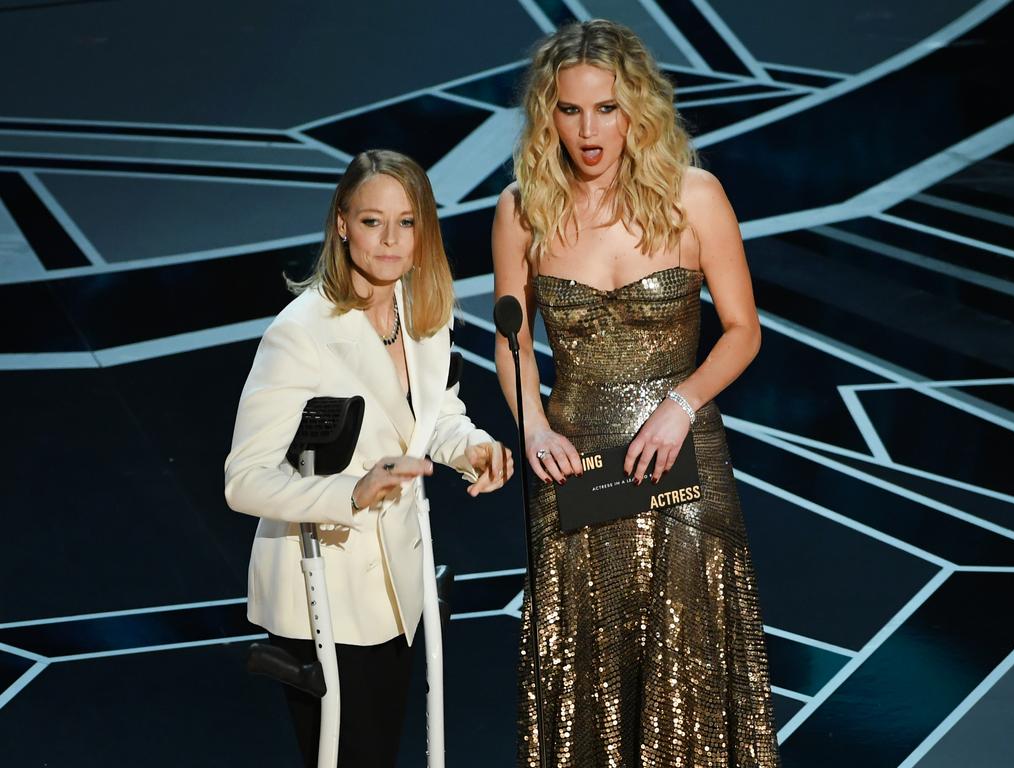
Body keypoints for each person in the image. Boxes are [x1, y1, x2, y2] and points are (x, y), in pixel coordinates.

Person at [492, 20, 779, 767]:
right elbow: (512, 339)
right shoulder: (522, 210)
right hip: (575, 464)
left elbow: (743, 330)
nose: (589, 131)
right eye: (571, 110)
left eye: (607, 109)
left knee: (687, 661)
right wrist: (532, 428)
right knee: (587, 664)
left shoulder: (695, 196)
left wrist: (680, 405)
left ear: (637, 110)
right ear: (547, 115)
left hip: (681, 458)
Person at [225, 149, 513, 768]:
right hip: (322, 588)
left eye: (407, 222)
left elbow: (433, 418)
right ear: (342, 224)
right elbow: (245, 480)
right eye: (372, 221)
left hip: (395, 588)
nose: (390, 240)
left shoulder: (427, 316)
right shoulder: (299, 332)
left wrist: (472, 449)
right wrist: (352, 493)